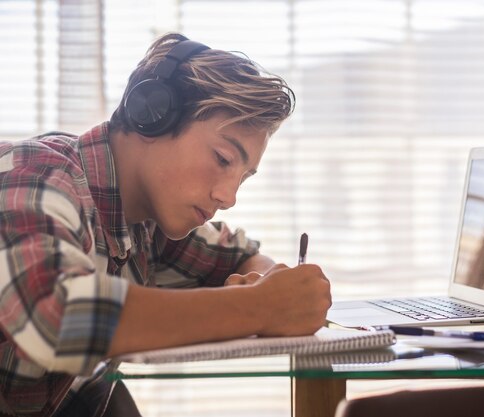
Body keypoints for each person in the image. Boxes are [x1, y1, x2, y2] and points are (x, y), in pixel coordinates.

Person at [0, 33, 331, 417]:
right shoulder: (36, 176)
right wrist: (260, 306)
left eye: (244, 177)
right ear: (151, 113)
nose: (229, 197)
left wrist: (270, 284)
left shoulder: (146, 221)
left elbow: (242, 257)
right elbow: (56, 316)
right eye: (224, 159)